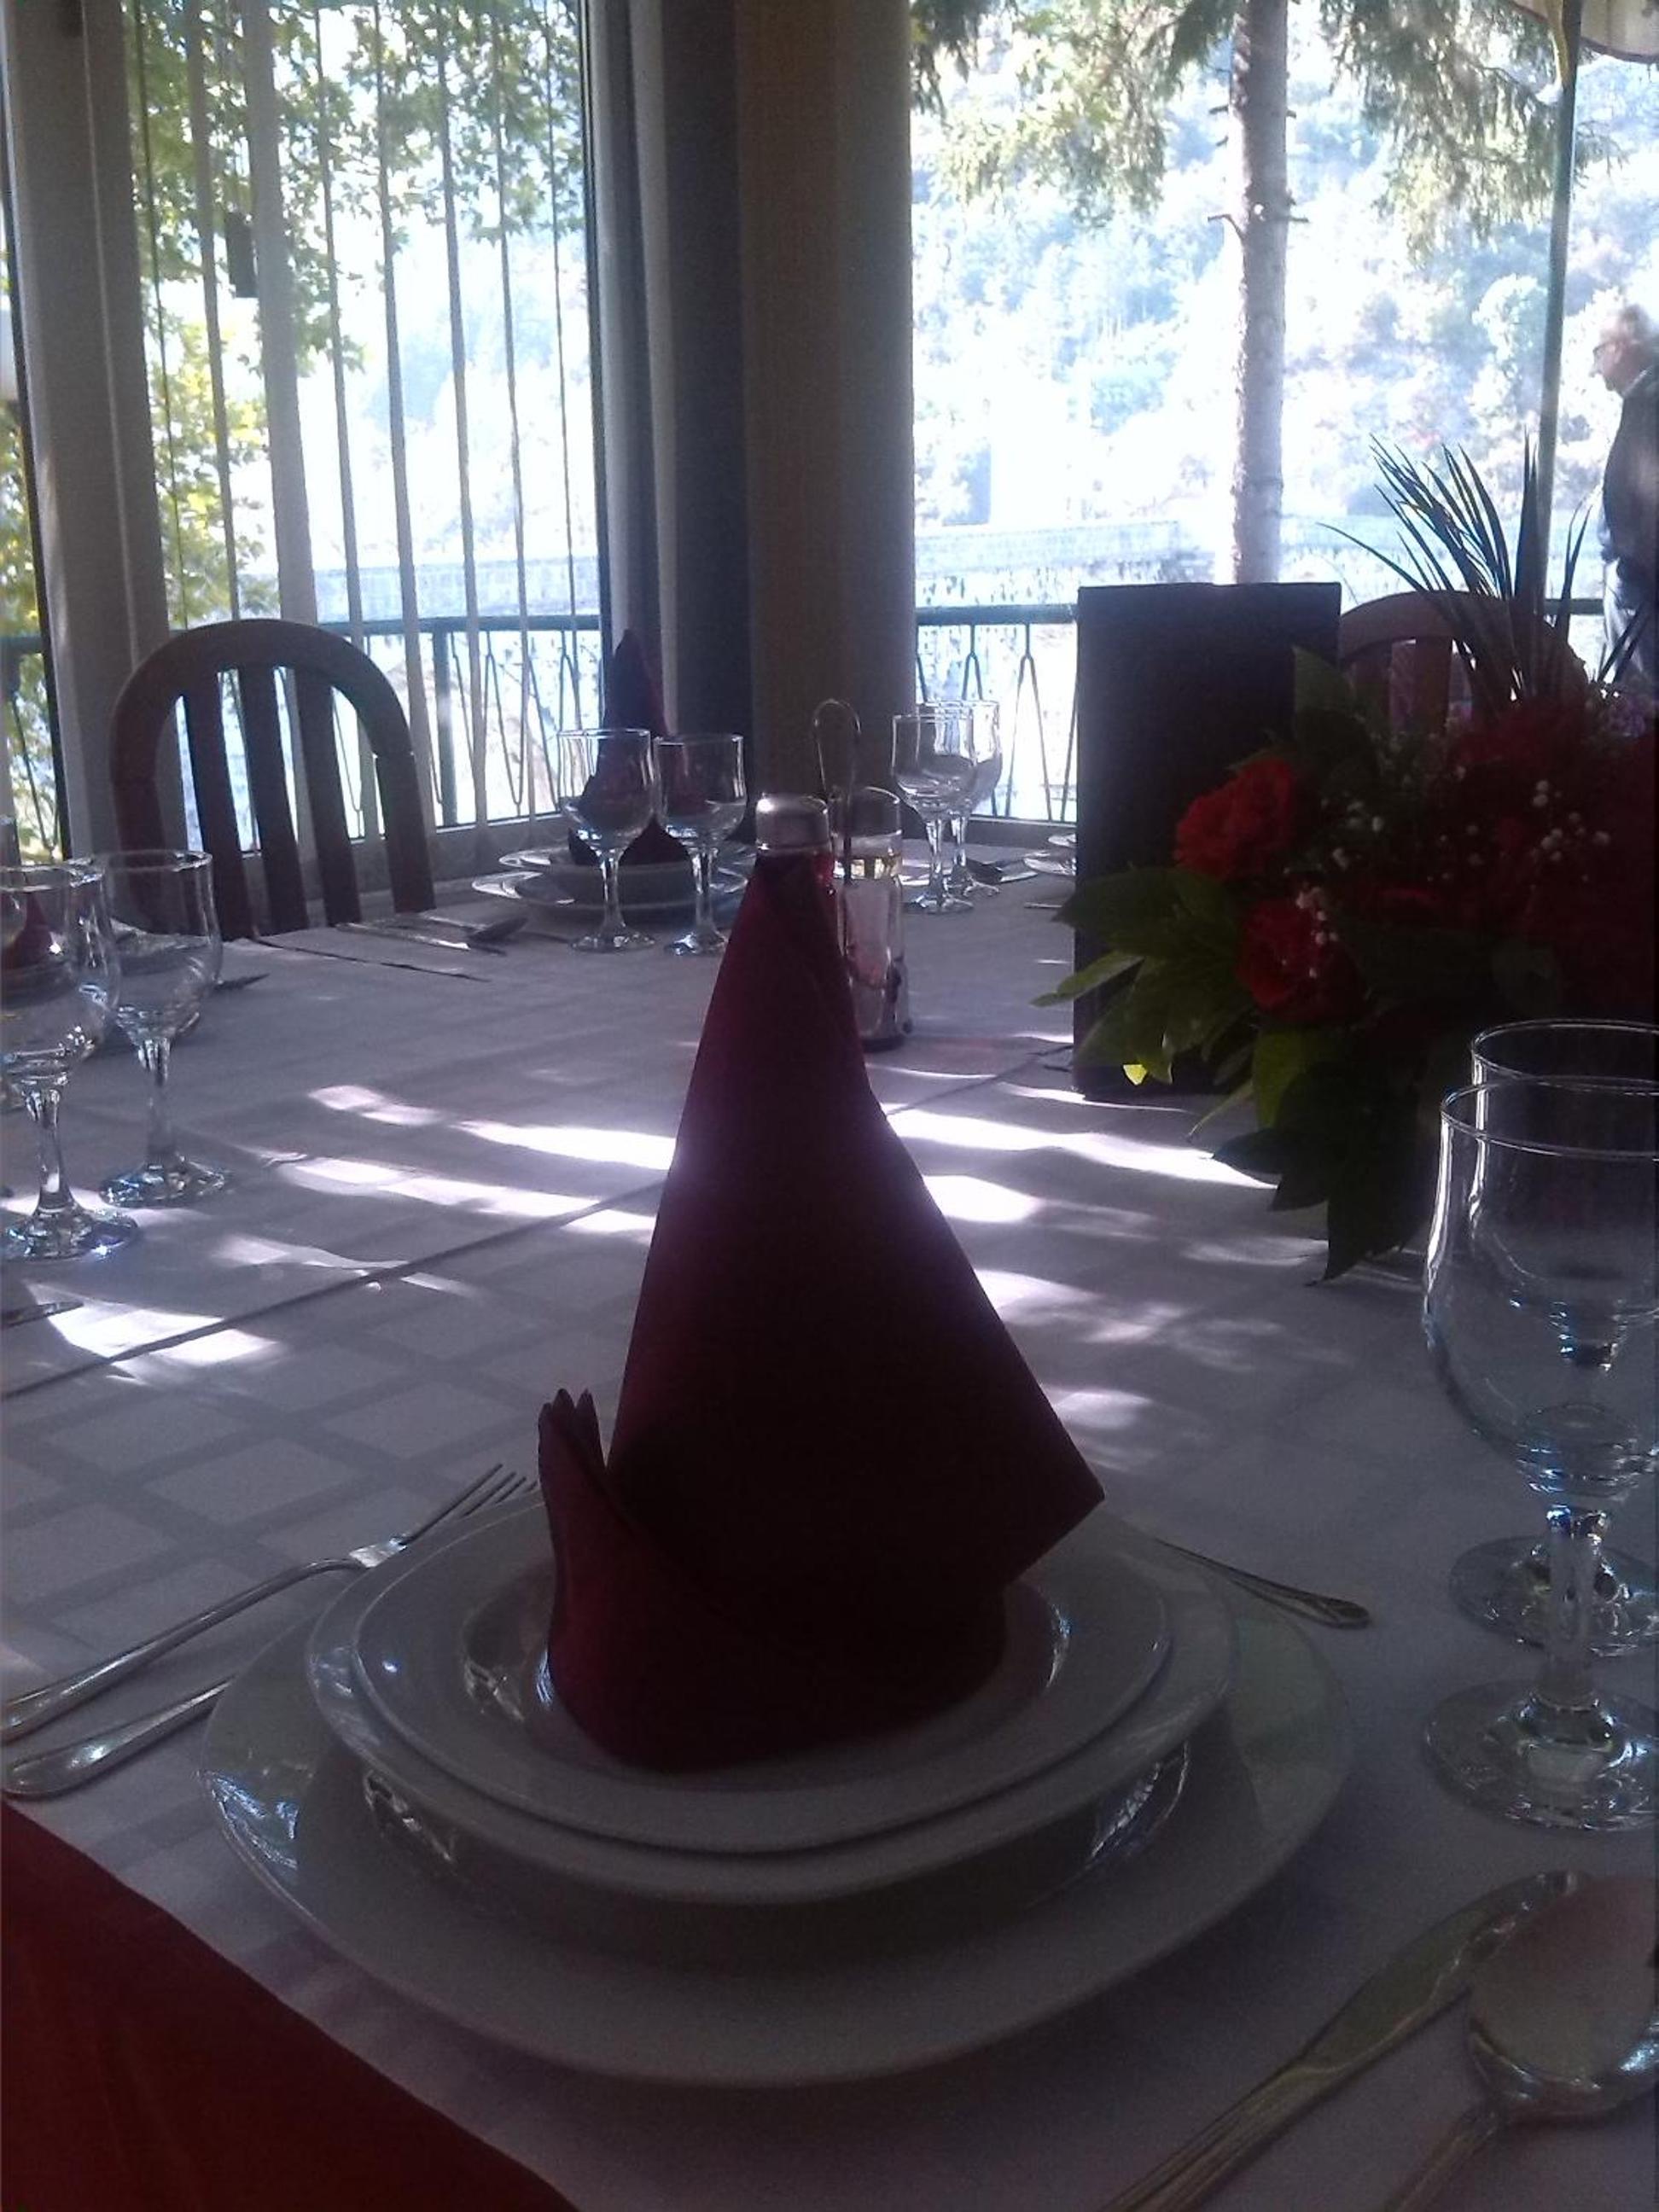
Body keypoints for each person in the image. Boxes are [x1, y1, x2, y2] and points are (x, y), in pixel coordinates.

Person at [1594, 303, 1659, 697]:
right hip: (1639, 587)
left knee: (1644, 707)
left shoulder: (1650, 404)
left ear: (1621, 347)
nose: (1596, 370)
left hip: (1642, 593)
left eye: (1599, 352)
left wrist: (1641, 576)